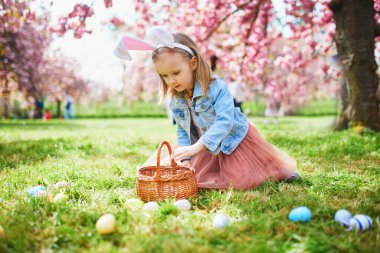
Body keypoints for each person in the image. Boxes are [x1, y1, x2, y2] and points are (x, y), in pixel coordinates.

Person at [115, 26, 300, 190]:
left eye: (176, 73)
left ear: (193, 63)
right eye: (164, 75)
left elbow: (225, 121)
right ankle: (202, 164)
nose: (171, 80)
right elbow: (182, 129)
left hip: (232, 141)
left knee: (241, 178)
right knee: (183, 172)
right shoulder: (176, 98)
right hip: (202, 145)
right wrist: (186, 157)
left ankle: (279, 171)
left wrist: (198, 147)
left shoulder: (215, 87)